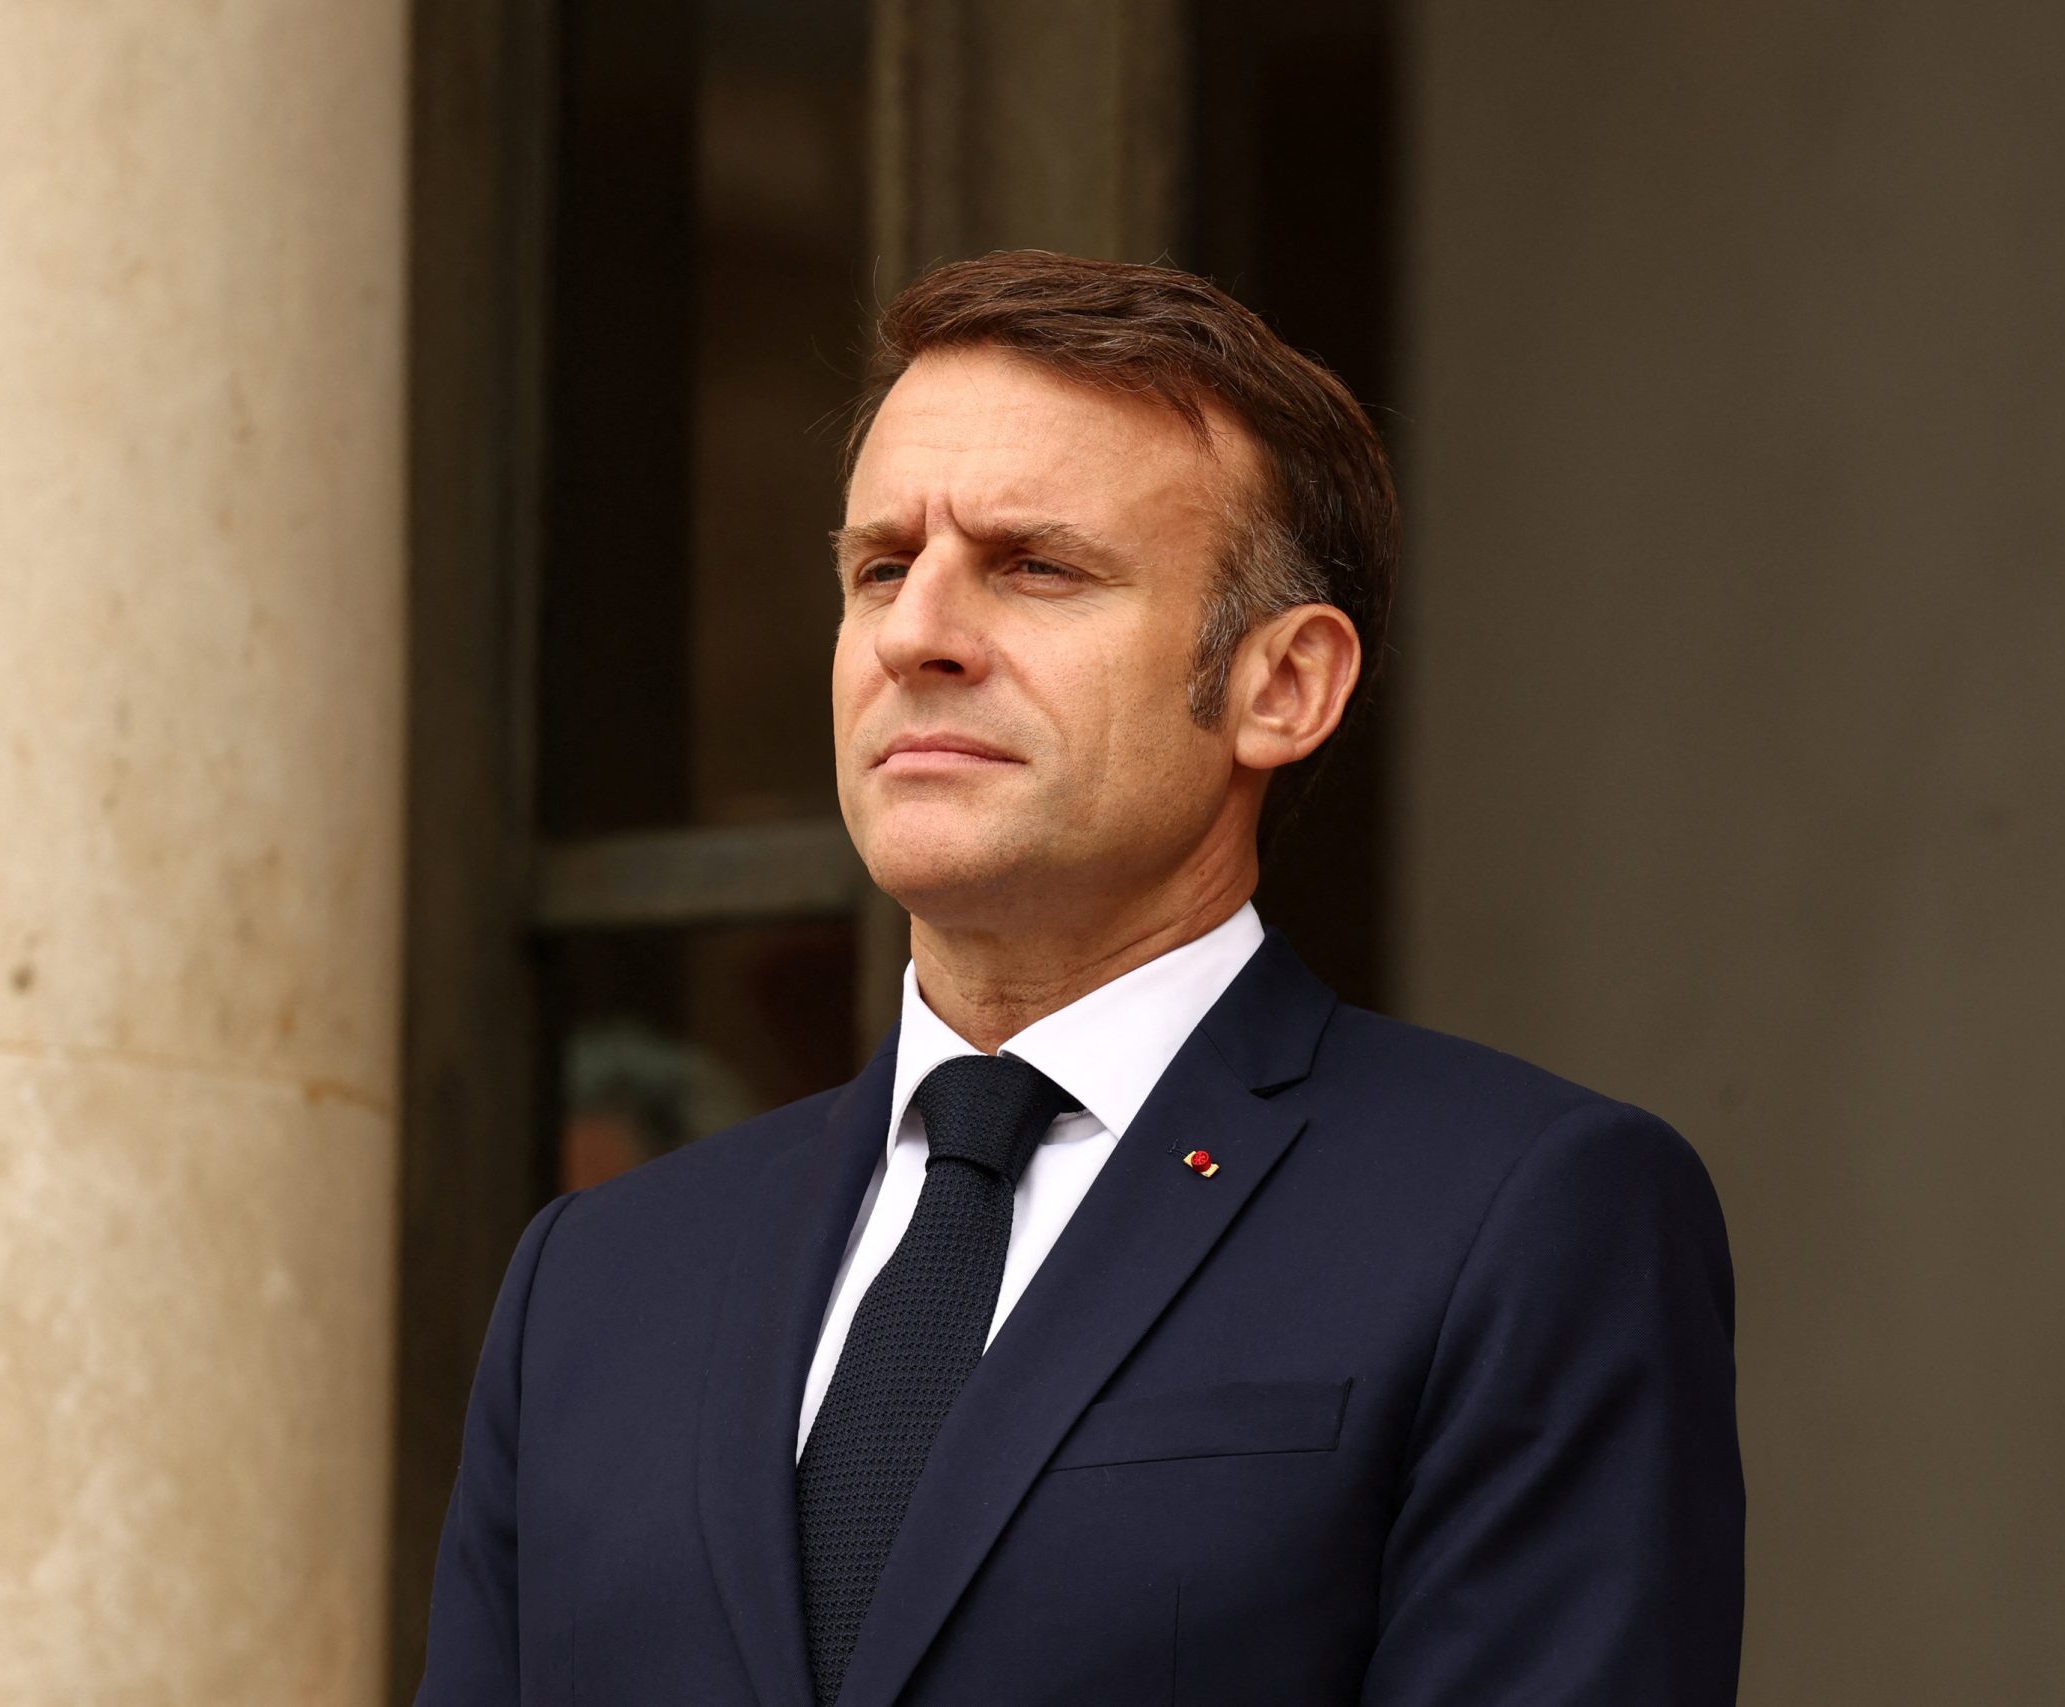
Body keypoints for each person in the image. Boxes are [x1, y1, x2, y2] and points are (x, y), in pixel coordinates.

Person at [416, 252, 1744, 1706]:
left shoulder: (1525, 1216)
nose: (916, 635)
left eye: (1035, 567)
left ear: (1284, 685)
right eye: (880, 568)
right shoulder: (596, 1282)